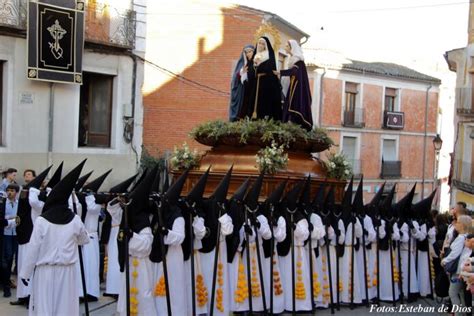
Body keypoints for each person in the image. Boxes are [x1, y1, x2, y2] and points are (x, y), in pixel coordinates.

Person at [19, 160, 90, 315]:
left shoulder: (42, 221)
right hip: (67, 272)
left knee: (45, 308)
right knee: (65, 309)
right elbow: (85, 240)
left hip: (46, 272)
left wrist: (25, 273)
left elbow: (33, 249)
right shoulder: (75, 219)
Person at [117, 168, 158, 316]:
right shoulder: (129, 216)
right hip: (130, 262)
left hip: (141, 265)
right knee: (127, 294)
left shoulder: (142, 221)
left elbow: (147, 245)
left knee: (143, 294)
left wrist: (132, 236)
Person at [274, 40, 313, 130]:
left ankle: (293, 125)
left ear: (292, 48)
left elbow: (294, 72)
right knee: (288, 106)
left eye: (287, 46)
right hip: (292, 87)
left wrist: (280, 72)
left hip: (297, 90)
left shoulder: (298, 61)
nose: (285, 48)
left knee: (294, 106)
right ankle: (288, 125)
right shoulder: (292, 59)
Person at [441, 215, 473, 316]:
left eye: (458, 222)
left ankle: (459, 313)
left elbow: (455, 253)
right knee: (462, 294)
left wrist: (444, 260)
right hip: (464, 270)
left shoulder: (461, 238)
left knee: (453, 292)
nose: (455, 224)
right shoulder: (467, 236)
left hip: (459, 271)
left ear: (463, 225)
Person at [247, 36, 282, 120]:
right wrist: (254, 66)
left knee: (264, 103)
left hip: (266, 83)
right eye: (259, 43)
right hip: (256, 83)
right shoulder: (255, 55)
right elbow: (250, 70)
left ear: (265, 45)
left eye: (263, 44)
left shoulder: (269, 55)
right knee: (254, 102)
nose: (260, 45)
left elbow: (270, 69)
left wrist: (259, 65)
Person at [1, 184, 19, 298]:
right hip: (6, 234)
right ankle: (6, 285)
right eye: (8, 190)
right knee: (7, 258)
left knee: (16, 257)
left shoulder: (19, 203)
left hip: (17, 234)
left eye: (12, 190)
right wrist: (11, 219)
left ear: (16, 192)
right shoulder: (3, 203)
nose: (9, 193)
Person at [229, 45, 254, 121]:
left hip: (253, 90)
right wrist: (241, 73)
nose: (248, 54)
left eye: (250, 52)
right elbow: (235, 79)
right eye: (246, 52)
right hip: (243, 92)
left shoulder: (256, 63)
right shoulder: (242, 64)